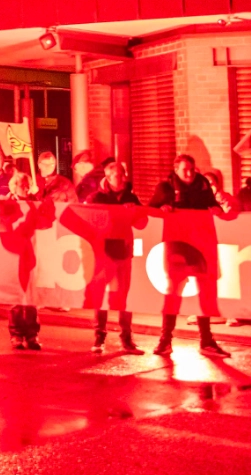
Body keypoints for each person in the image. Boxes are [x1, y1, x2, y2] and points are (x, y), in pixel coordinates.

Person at [147, 152, 233, 358]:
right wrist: (163, 208)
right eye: (184, 169)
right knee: (173, 292)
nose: (189, 173)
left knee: (206, 291)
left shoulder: (203, 184)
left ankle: (207, 340)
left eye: (191, 169)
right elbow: (150, 209)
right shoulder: (165, 187)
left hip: (201, 244)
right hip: (177, 246)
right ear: (176, 170)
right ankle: (165, 340)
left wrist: (215, 209)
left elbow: (213, 205)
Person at [84, 158, 141, 353]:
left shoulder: (131, 198)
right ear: (108, 177)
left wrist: (134, 213)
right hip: (102, 252)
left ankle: (126, 338)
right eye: (118, 175)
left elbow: (141, 223)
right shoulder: (96, 198)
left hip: (123, 251)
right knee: (100, 296)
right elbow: (86, 218)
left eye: (123, 174)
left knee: (123, 296)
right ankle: (99, 337)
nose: (123, 178)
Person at [0, 168, 52, 350]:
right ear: (14, 187)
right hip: (13, 253)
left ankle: (31, 334)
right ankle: (16, 334)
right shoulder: (6, 204)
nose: (25, 188)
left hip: (30, 253)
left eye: (27, 185)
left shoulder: (33, 204)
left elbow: (45, 222)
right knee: (16, 295)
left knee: (30, 296)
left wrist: (41, 202)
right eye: (22, 185)